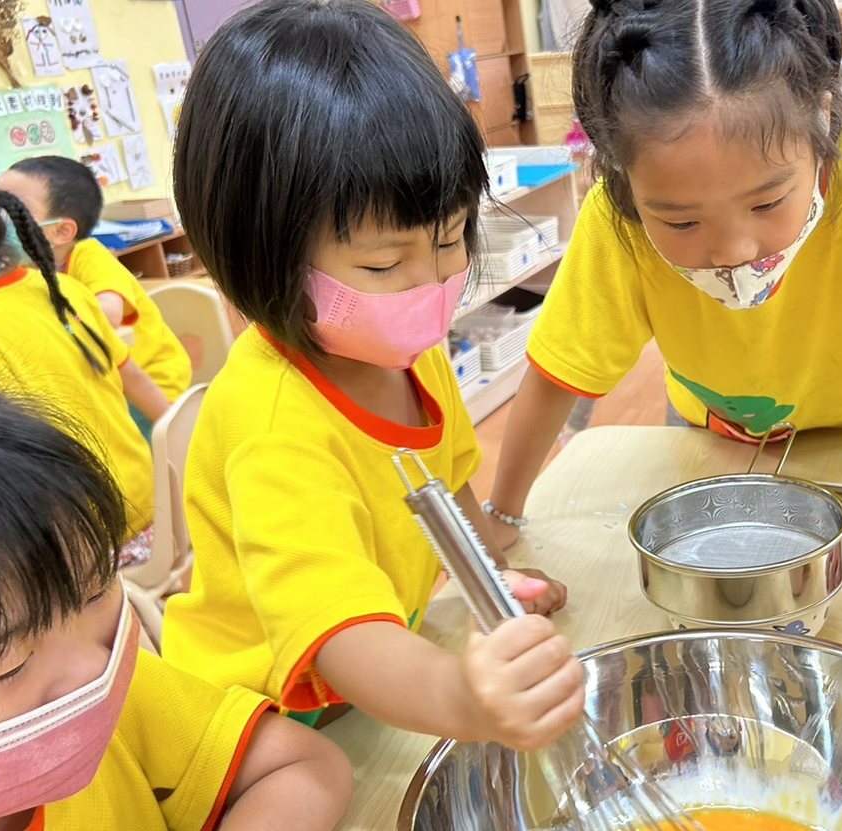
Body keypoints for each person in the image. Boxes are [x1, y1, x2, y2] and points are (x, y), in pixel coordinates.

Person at [161, 0, 584, 747]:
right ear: (261, 252)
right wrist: (462, 697)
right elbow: (339, 632)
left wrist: (490, 578)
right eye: (386, 263)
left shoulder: (404, 351)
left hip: (377, 684)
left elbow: (447, 486)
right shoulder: (272, 423)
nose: (433, 282)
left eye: (451, 237)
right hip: (261, 716)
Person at [488, 0, 842, 620]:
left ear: (824, 117)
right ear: (622, 180)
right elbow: (557, 369)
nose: (732, 251)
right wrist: (502, 514)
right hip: (721, 442)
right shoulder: (616, 214)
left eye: (768, 202)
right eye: (679, 220)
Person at [0, 353, 351, 831]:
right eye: (5, 664)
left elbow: (302, 767)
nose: (95, 669)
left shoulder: (122, 693)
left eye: (97, 589)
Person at [0, 143, 160, 568]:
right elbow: (136, 379)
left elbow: (6, 479)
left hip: (99, 543)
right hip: (154, 508)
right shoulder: (57, 286)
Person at [0, 155, 193, 439]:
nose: (2, 218)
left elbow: (108, 314)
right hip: (101, 382)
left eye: (16, 209)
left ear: (62, 230)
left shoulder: (88, 254)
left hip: (151, 381)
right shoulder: (22, 266)